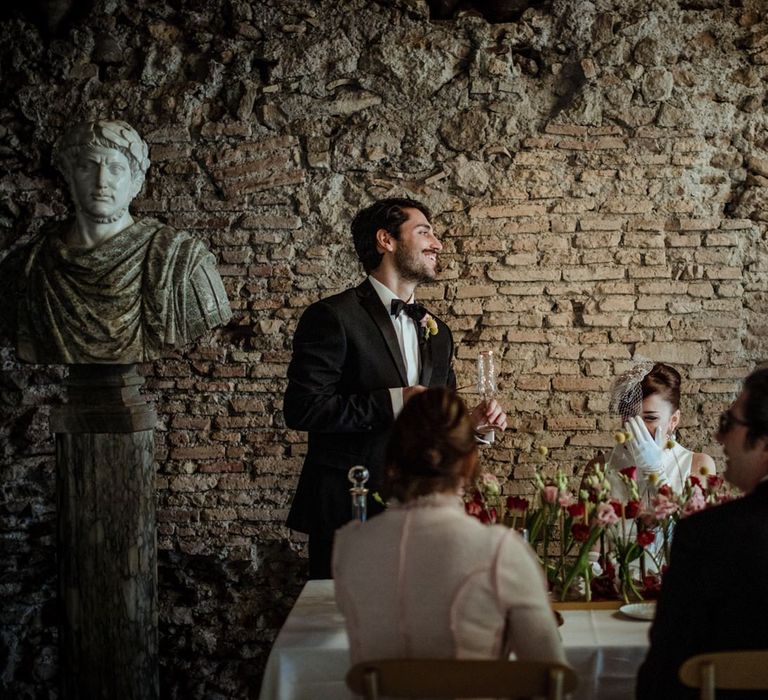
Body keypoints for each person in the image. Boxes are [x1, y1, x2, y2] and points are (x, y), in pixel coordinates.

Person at [283, 197, 507, 579]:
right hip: (349, 509)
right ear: (386, 240)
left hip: (424, 512)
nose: (437, 243)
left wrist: (472, 425)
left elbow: (438, 419)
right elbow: (303, 408)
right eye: (424, 232)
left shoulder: (439, 332)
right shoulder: (331, 317)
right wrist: (394, 401)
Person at [333, 387, 565, 665]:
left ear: (393, 459)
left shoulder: (350, 547)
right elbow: (550, 675)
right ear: (469, 462)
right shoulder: (501, 551)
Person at [16, 120, 231, 364]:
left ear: (135, 182)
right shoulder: (32, 264)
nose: (101, 181)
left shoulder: (181, 261)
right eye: (88, 166)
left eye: (115, 168)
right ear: (69, 177)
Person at [636, 367, 768, 699]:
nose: (720, 438)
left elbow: (662, 674)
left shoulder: (707, 535)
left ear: (764, 440)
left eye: (728, 424)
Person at [608, 361, 716, 496]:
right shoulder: (601, 466)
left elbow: (692, 517)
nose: (638, 427)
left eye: (650, 418)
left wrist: (655, 471)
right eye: (629, 416)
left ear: (673, 420)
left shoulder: (698, 465)